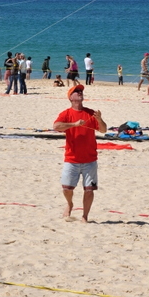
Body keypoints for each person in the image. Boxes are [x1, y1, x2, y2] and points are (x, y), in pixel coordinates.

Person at [53, 84, 107, 222]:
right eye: (76, 91)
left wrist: (99, 119)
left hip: (90, 159)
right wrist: (74, 124)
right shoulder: (66, 113)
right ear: (70, 97)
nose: (80, 93)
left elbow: (103, 130)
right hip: (71, 158)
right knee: (66, 189)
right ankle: (70, 204)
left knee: (89, 190)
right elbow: (56, 126)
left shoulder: (90, 113)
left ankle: (85, 216)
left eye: (81, 91)